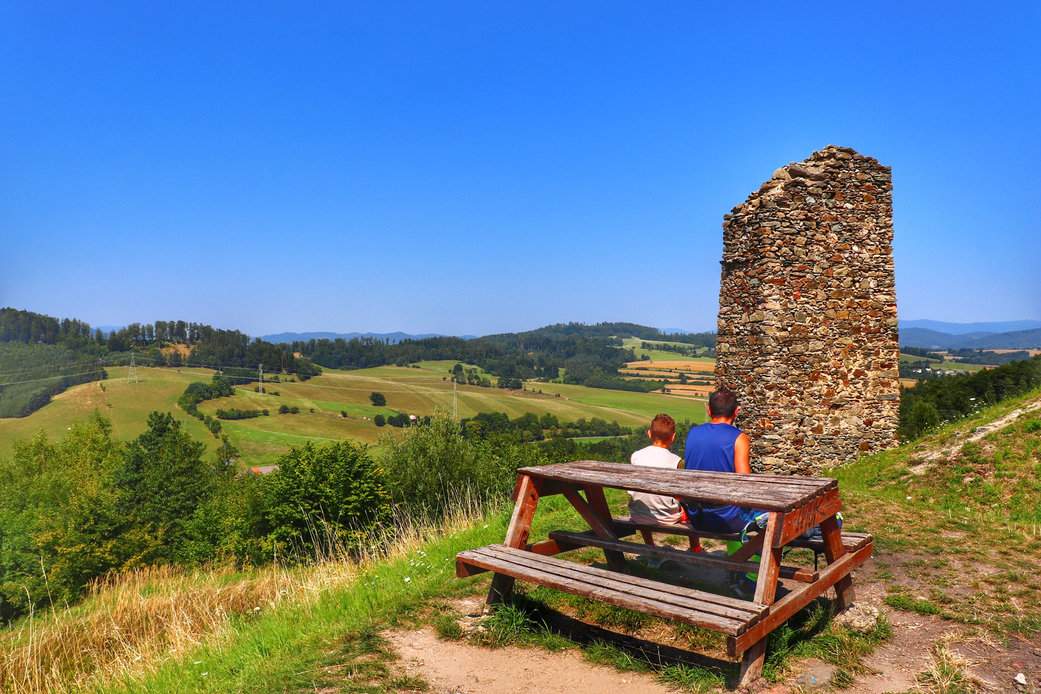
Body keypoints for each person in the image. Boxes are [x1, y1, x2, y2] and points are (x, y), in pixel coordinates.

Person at [682, 389, 761, 534]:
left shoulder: (693, 433)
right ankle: (752, 554)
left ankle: (747, 553)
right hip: (727, 520)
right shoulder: (739, 438)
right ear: (737, 411)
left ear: (708, 410)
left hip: (697, 517)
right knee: (775, 516)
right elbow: (745, 482)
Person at [628, 413, 700, 552]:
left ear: (649, 433)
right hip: (668, 517)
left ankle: (650, 545)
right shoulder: (676, 461)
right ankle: (695, 547)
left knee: (643, 499)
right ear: (673, 437)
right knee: (690, 505)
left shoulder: (636, 455)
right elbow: (682, 492)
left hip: (638, 514)